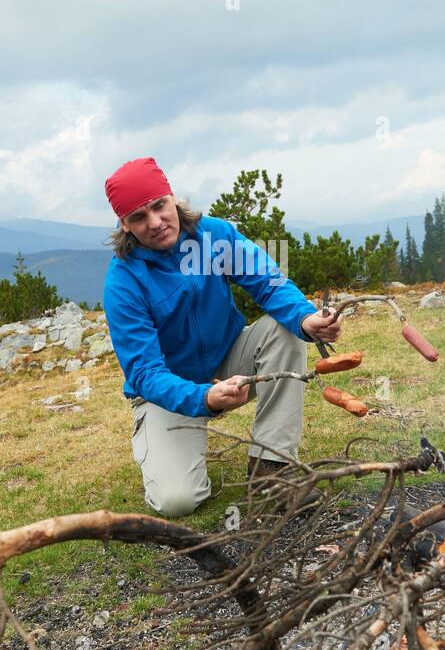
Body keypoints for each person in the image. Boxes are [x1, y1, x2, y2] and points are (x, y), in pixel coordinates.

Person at [102, 157, 343, 518]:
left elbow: (267, 280)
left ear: (171, 198)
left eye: (158, 206)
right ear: (124, 224)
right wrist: (205, 397)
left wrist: (306, 317)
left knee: (286, 329)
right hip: (169, 388)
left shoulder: (213, 235)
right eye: (138, 217)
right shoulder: (123, 281)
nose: (154, 222)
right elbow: (145, 372)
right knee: (178, 501)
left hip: (230, 357)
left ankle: (271, 469)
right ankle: (161, 440)